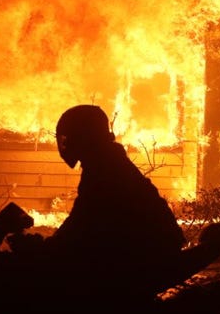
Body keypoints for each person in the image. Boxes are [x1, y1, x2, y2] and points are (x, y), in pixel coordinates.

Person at [21, 104, 185, 299]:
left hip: (141, 259)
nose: (66, 143)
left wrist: (48, 249)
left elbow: (81, 222)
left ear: (83, 136)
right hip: (144, 251)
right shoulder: (105, 161)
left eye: (70, 137)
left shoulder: (104, 168)